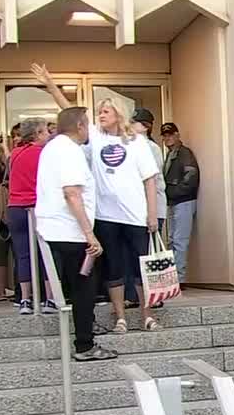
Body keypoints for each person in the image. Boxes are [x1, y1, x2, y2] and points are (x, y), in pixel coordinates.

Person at [32, 63, 160, 332]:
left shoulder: (136, 141)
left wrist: (152, 214)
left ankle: (147, 315)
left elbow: (150, 179)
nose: (100, 116)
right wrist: (50, 83)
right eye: (99, 112)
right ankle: (120, 316)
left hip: (136, 214)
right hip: (105, 215)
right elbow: (70, 113)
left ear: (118, 114)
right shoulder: (96, 138)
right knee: (113, 267)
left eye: (105, 111)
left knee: (141, 268)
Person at [35, 106, 115, 361]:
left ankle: (86, 333)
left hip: (54, 228)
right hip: (70, 231)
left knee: (77, 284)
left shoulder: (51, 148)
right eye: (87, 124)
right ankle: (84, 344)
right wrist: (89, 233)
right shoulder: (70, 151)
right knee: (84, 287)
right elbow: (72, 193)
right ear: (80, 126)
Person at [5, 118, 57, 315]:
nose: (49, 135)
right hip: (38, 206)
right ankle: (50, 299)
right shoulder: (45, 154)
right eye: (45, 132)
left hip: (16, 207)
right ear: (37, 134)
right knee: (46, 253)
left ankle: (25, 299)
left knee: (23, 254)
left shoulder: (15, 153)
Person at [128, 108, 164, 304]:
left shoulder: (150, 147)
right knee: (137, 255)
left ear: (145, 126)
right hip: (137, 209)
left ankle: (155, 295)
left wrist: (152, 214)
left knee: (149, 254)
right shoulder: (132, 145)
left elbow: (152, 179)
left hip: (152, 207)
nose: (129, 126)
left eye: (133, 123)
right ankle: (136, 296)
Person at [161, 122, 200, 283]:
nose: (167, 138)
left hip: (183, 201)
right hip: (173, 202)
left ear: (177, 135)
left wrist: (173, 192)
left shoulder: (184, 153)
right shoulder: (171, 155)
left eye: (170, 134)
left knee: (179, 240)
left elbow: (191, 178)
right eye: (165, 135)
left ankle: (178, 278)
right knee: (172, 240)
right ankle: (173, 277)